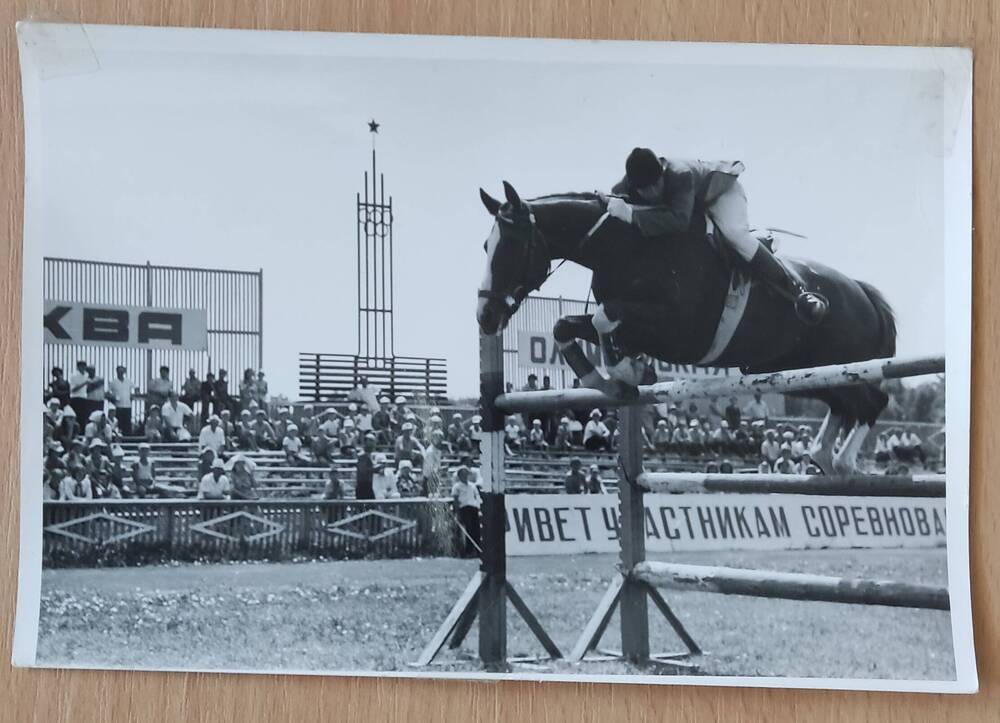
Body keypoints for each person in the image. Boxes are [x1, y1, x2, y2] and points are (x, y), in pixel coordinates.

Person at [605, 147, 827, 329]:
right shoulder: (627, 185)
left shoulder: (680, 174)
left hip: (720, 194)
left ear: (661, 175)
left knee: (734, 235)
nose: (652, 192)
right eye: (645, 190)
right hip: (694, 206)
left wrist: (632, 215)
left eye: (656, 185)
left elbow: (679, 220)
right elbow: (611, 200)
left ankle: (795, 288)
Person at [450, 465, 482, 557]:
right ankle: (469, 551)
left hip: (473, 508)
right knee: (469, 529)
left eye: (466, 474)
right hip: (464, 508)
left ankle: (477, 550)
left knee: (477, 530)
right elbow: (455, 500)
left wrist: (479, 508)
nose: (465, 476)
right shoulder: (457, 487)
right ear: (459, 476)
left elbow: (477, 497)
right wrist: (458, 512)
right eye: (463, 474)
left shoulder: (472, 486)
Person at [107, 365, 137, 436]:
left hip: (127, 405)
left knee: (127, 424)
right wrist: (113, 398)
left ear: (124, 372)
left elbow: (136, 388)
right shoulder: (113, 382)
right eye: (119, 371)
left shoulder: (128, 381)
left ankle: (127, 441)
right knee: (119, 423)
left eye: (122, 371)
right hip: (118, 406)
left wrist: (133, 395)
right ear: (116, 372)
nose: (120, 373)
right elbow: (107, 393)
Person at [355, 435, 376, 500]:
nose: (373, 443)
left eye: (373, 441)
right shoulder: (362, 455)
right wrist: (376, 469)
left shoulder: (371, 455)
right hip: (363, 486)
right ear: (365, 442)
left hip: (370, 485)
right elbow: (363, 471)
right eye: (371, 441)